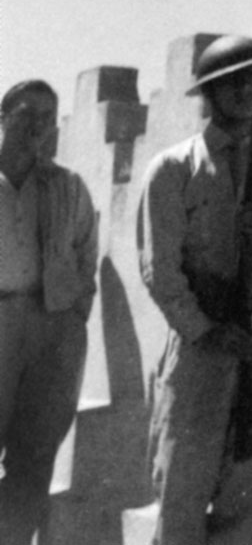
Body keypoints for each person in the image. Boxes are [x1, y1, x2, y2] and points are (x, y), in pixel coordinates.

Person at [137, 35, 252, 545]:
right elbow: (161, 271)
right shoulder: (176, 170)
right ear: (210, 92)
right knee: (182, 487)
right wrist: (206, 331)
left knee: (249, 494)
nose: (248, 91)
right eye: (234, 82)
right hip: (204, 342)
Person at [0, 79, 97, 545]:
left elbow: (85, 254)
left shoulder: (67, 186)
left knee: (34, 461)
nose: (38, 126)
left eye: (48, 117)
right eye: (27, 114)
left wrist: (74, 316)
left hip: (50, 330)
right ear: (2, 117)